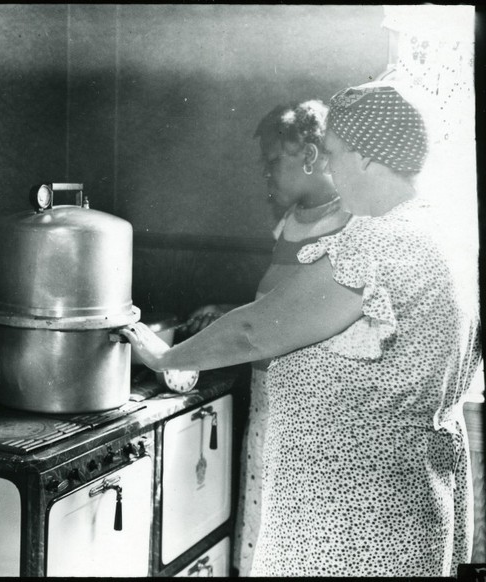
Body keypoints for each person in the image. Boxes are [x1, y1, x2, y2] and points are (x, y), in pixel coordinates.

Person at [120, 82, 481, 576]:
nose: (328, 167)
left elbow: (254, 331)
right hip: (403, 490)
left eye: (333, 153)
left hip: (360, 510)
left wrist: (164, 357)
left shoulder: (382, 240)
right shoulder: (441, 229)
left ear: (369, 157)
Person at [183, 99, 351, 576]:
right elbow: (277, 305)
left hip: (311, 404)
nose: (267, 174)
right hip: (267, 393)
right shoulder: (290, 221)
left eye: (275, 161)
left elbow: (308, 316)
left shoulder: (347, 225)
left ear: (311, 155)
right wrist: (228, 311)